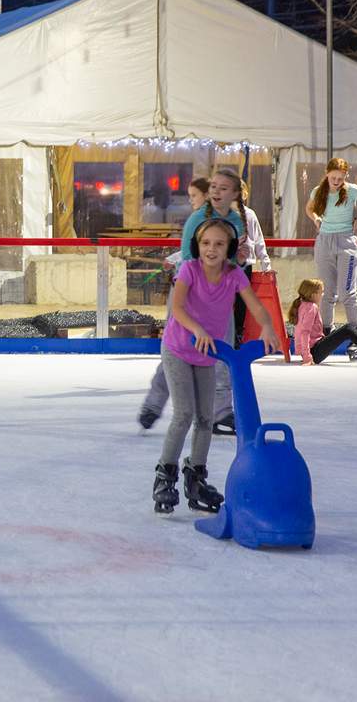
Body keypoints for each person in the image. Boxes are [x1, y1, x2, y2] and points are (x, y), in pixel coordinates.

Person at [152, 218, 283, 515]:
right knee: (184, 414)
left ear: (230, 248)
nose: (211, 249)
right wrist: (197, 330)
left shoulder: (234, 275)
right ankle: (165, 476)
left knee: (205, 419)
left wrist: (268, 327)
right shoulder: (189, 270)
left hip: (207, 353)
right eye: (206, 243)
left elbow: (255, 304)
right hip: (178, 348)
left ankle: (196, 476)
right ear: (197, 246)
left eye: (219, 244)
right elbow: (178, 308)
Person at [139, 168, 247, 433]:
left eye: (224, 188)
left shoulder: (237, 221)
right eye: (214, 187)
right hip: (190, 297)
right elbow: (189, 262)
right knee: (177, 350)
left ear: (235, 194)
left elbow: (233, 260)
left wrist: (238, 262)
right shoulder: (197, 220)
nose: (217, 192)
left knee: (222, 352)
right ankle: (153, 404)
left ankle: (221, 412)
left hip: (221, 299)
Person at [305, 158, 357, 348]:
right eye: (333, 177)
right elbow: (309, 209)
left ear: (345, 176)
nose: (337, 181)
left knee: (347, 292)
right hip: (324, 242)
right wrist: (316, 220)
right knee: (326, 292)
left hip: (346, 242)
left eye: (341, 178)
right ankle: (326, 332)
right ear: (327, 173)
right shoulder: (318, 191)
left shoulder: (352, 190)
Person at [290, 278, 357, 367]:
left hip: (313, 348)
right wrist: (307, 357)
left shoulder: (301, 304)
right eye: (321, 292)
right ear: (313, 294)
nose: (322, 295)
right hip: (314, 352)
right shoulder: (311, 307)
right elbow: (304, 332)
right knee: (348, 329)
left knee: (350, 330)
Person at [233, 179, 272, 345]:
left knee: (242, 301)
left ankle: (237, 333)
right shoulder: (223, 214)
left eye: (241, 191)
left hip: (245, 265)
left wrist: (266, 264)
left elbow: (259, 241)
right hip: (225, 264)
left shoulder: (250, 214)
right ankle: (224, 332)